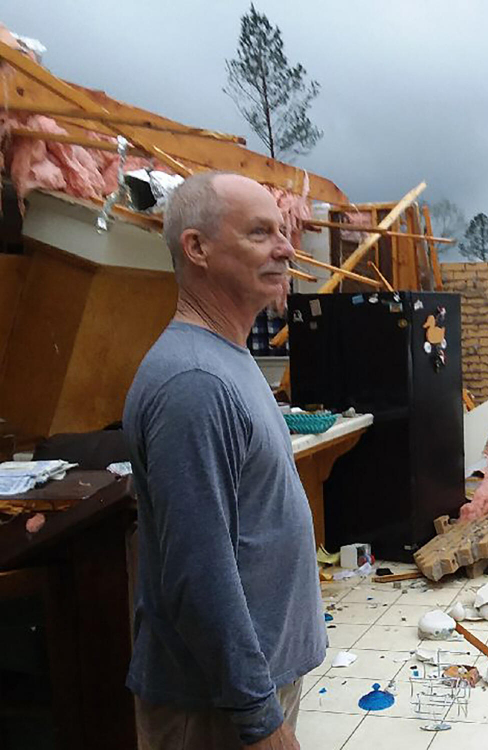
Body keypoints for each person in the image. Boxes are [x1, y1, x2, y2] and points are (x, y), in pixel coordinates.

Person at [123, 172, 325, 749]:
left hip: (245, 689)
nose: (286, 248)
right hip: (215, 707)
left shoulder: (227, 357)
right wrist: (259, 718)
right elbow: (198, 575)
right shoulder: (195, 382)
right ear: (197, 248)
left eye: (282, 231)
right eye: (261, 233)